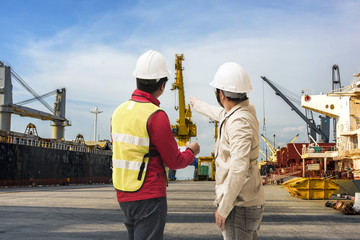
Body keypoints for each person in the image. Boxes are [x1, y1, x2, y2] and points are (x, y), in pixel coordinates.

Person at [111, 49, 200, 240]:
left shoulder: (118, 112)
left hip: (123, 193)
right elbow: (174, 161)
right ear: (162, 85)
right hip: (149, 194)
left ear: (137, 79)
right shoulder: (156, 115)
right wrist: (191, 151)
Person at [190, 62, 264, 240]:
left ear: (221, 94)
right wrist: (198, 105)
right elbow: (220, 114)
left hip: (238, 207)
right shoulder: (240, 113)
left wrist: (223, 208)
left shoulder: (239, 123)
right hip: (246, 203)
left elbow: (239, 168)